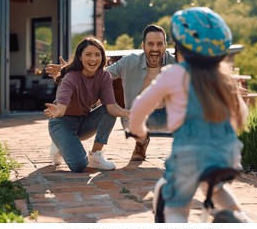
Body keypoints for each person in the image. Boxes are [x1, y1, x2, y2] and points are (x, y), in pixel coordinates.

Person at [128, 7, 250, 223]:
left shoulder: (173, 74)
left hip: (189, 155)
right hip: (227, 154)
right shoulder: (223, 78)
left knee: (177, 207)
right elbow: (241, 112)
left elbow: (140, 106)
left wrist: (138, 131)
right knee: (216, 189)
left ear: (179, 50)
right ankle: (241, 219)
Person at [46, 24, 176, 162]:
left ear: (165, 45)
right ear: (143, 45)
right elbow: (100, 73)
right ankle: (141, 143)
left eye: (159, 44)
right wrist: (70, 70)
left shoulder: (178, 64)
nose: (155, 48)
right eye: (150, 44)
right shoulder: (129, 62)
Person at [44, 36, 129, 172]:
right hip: (62, 123)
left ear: (102, 57)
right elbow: (61, 106)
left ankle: (95, 155)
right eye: (88, 54)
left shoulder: (104, 76)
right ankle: (59, 143)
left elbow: (111, 107)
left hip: (83, 122)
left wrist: (127, 113)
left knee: (107, 111)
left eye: (97, 54)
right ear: (80, 56)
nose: (93, 59)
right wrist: (57, 111)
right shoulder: (70, 78)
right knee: (79, 166)